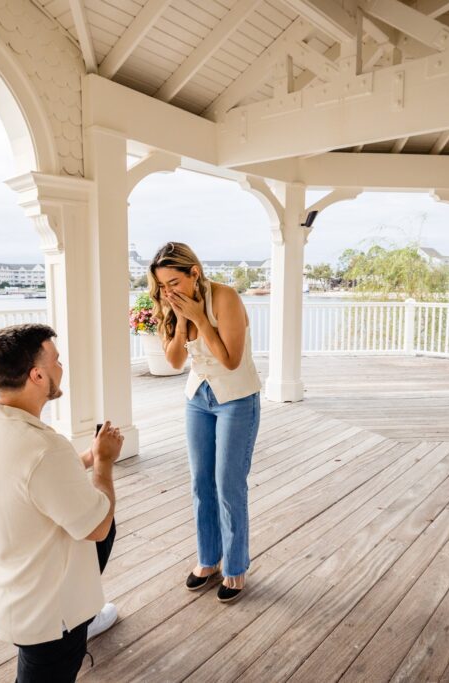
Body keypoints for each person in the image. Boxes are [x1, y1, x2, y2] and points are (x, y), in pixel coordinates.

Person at [0, 323, 123, 682]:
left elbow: (31, 480)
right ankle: (81, 616)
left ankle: (89, 613)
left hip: (10, 582)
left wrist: (85, 457)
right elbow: (97, 528)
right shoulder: (45, 449)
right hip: (50, 614)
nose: (62, 367)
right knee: (105, 520)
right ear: (37, 375)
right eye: (57, 361)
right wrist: (104, 462)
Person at [148, 242, 262, 603]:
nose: (167, 292)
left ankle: (235, 567)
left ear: (194, 273)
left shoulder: (225, 298)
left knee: (228, 485)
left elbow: (230, 360)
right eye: (161, 286)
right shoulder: (171, 306)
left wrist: (199, 318)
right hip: (197, 398)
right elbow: (174, 361)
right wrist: (181, 318)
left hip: (236, 398)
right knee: (201, 484)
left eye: (173, 282)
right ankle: (208, 560)